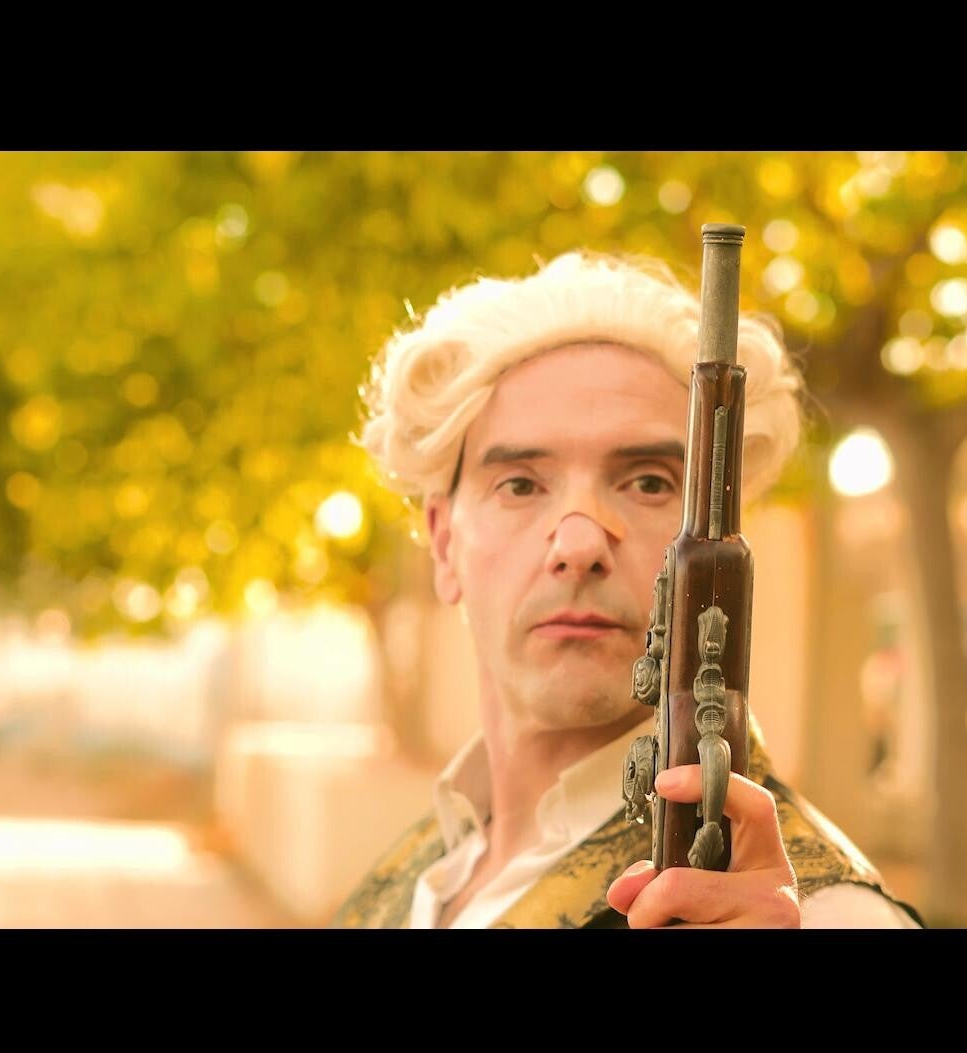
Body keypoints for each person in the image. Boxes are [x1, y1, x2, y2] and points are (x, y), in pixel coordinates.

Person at [330, 248, 922, 929]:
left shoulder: (825, 914)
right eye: (520, 484)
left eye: (648, 483)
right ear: (443, 544)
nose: (580, 544)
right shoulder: (418, 875)